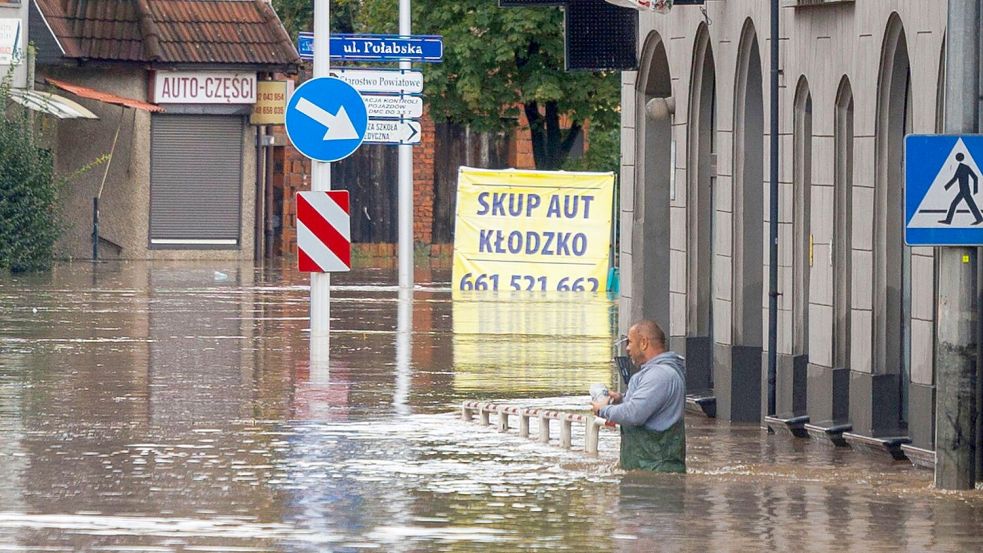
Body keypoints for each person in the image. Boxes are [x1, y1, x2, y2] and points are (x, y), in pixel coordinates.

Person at [591, 319, 686, 473]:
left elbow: (634, 414)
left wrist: (603, 410)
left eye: (629, 342)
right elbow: (646, 406)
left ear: (643, 343)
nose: (627, 348)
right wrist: (621, 399)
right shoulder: (657, 373)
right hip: (649, 471)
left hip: (655, 476)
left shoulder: (659, 375)